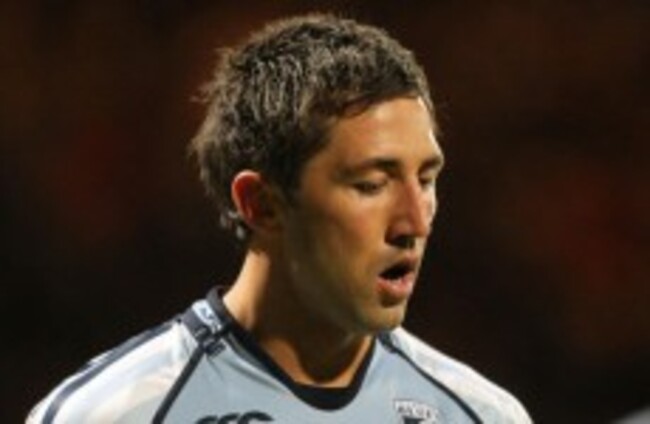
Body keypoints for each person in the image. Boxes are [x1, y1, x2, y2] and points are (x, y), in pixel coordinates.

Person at [27, 14, 531, 423]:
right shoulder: (112, 414)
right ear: (261, 204)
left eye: (426, 178)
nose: (415, 222)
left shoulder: (482, 415)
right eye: (371, 185)